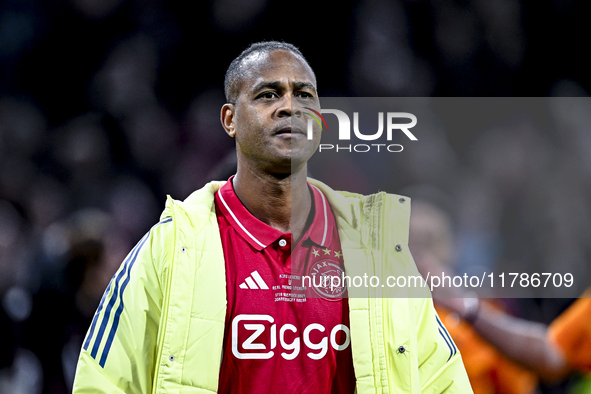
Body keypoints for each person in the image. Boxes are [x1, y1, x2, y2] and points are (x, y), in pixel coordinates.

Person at [72, 41, 473, 393]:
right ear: (230, 120)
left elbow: (441, 380)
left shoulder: (380, 255)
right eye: (267, 94)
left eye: (304, 95)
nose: (289, 107)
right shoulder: (169, 248)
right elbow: (104, 383)